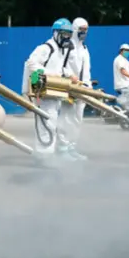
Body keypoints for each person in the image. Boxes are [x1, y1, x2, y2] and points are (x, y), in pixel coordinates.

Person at [23, 18, 76, 168]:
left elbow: (61, 68)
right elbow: (31, 63)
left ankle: (47, 154)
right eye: (64, 34)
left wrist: (69, 75)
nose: (67, 37)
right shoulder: (46, 48)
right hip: (43, 92)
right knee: (46, 123)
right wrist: (50, 74)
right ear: (56, 33)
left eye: (69, 34)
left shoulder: (61, 51)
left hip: (54, 92)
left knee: (52, 123)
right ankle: (44, 156)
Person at [57, 17, 91, 161]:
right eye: (82, 29)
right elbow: (60, 65)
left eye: (86, 30)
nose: (84, 32)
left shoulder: (84, 47)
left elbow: (87, 69)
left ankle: (72, 146)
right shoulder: (67, 45)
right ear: (75, 29)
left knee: (77, 119)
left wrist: (88, 85)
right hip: (70, 88)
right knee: (66, 118)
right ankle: (62, 148)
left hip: (82, 88)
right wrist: (70, 76)